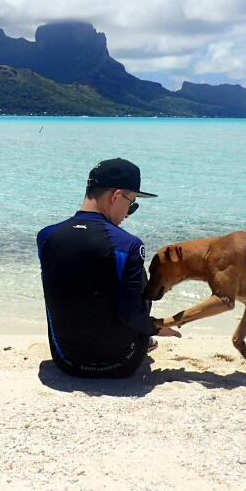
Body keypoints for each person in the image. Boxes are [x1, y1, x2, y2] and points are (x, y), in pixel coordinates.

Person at [37, 158, 180, 379]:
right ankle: (141, 339)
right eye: (131, 204)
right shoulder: (129, 244)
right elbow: (132, 314)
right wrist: (155, 327)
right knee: (142, 278)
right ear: (116, 196)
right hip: (119, 364)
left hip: (66, 361)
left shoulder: (46, 237)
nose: (128, 214)